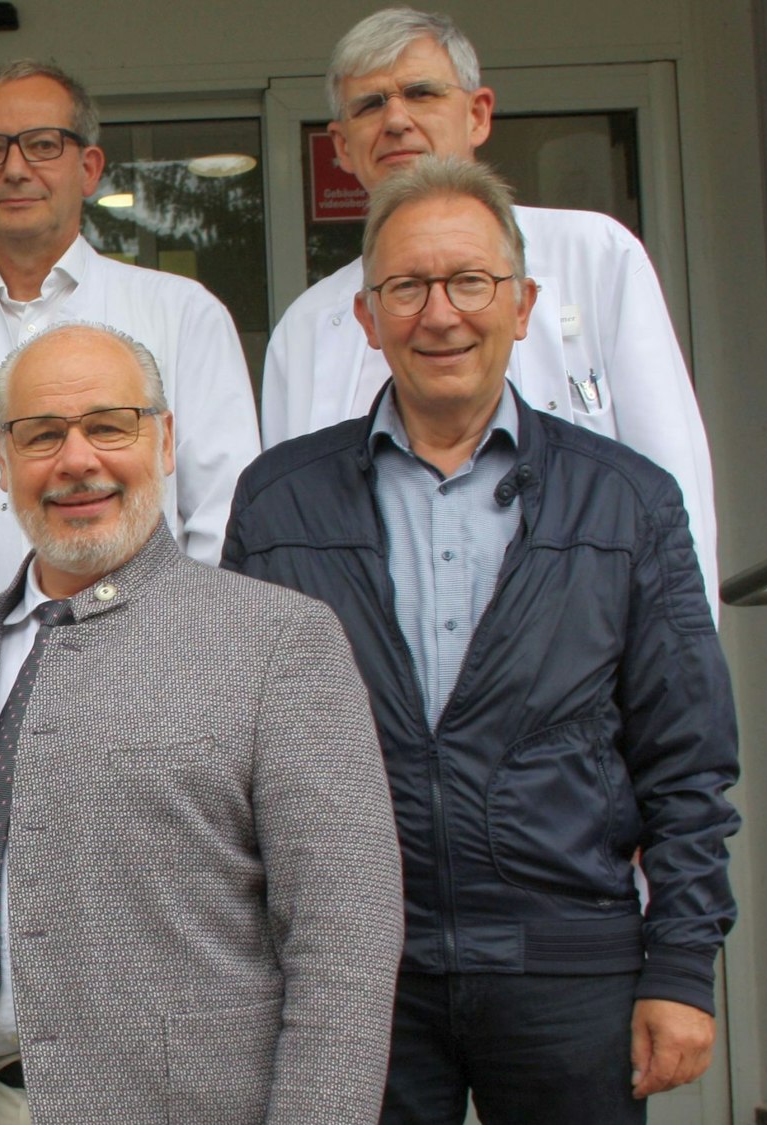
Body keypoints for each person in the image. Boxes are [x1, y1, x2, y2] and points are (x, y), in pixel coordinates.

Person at [224, 157, 740, 1124]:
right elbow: (239, 754)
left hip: (566, 960)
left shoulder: (627, 501)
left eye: (470, 282)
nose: (441, 314)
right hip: (357, 967)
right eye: (407, 287)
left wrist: (680, 964)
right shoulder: (280, 498)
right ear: (369, 320)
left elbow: (689, 761)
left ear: (523, 303)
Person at [0, 320, 403, 1124]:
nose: (77, 460)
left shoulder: (278, 641)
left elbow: (345, 941)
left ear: (165, 439)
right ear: (2, 459)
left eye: (109, 426)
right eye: (41, 434)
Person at [260, 7, 718, 603]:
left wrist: (684, 656)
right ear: (341, 146)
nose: (396, 120)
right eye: (370, 105)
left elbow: (668, 479)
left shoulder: (594, 255)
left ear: (477, 115)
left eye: (421, 93)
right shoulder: (309, 325)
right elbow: (288, 535)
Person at [0, 58, 259, 620]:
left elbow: (225, 520)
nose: (16, 168)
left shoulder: (184, 314)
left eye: (43, 145)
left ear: (90, 167)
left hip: (150, 678)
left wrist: (190, 656)